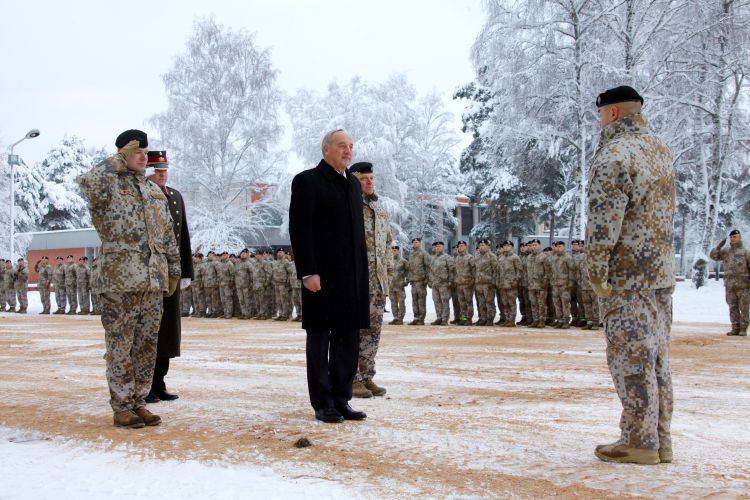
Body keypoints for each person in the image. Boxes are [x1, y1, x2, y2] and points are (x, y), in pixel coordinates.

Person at [587, 86, 676, 465]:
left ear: (612, 114)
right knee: (657, 359)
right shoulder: (660, 150)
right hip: (660, 274)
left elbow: (604, 222)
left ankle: (639, 441)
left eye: (600, 115)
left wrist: (596, 270)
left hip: (626, 276)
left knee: (630, 358)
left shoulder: (614, 155)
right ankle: (660, 439)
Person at [78, 129, 181, 429]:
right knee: (120, 346)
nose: (143, 157)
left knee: (147, 345)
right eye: (136, 151)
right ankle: (122, 406)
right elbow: (86, 183)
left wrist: (173, 270)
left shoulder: (153, 191)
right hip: (119, 281)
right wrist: (115, 161)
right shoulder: (109, 185)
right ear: (122, 153)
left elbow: (167, 235)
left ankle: (139, 402)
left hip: (152, 281)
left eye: (145, 152)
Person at [288, 128, 369, 424]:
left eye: (351, 146)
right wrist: (308, 271)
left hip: (351, 278)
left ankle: (341, 398)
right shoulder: (307, 181)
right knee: (321, 339)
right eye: (341, 146)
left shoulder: (353, 185)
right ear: (326, 149)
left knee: (348, 340)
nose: (348, 151)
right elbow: (300, 229)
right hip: (321, 277)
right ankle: (323, 402)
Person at [144, 150, 194, 403]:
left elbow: (182, 235)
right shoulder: (141, 195)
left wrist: (186, 271)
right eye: (157, 170)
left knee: (168, 331)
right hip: (148, 274)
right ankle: (144, 385)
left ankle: (159, 381)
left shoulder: (175, 196)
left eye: (165, 170)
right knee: (148, 330)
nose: (163, 174)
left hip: (170, 273)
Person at [349, 161, 392, 399]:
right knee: (354, 332)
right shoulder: (349, 205)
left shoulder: (379, 208)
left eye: (371, 178)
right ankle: (352, 378)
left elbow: (387, 243)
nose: (369, 182)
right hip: (356, 281)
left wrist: (388, 273)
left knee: (373, 333)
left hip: (377, 282)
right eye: (364, 178)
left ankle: (367, 376)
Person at [710, 229, 750, 336]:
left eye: (735, 237)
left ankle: (743, 328)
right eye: (731, 237)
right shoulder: (726, 251)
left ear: (740, 238)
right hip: (730, 285)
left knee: (744, 307)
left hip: (743, 285)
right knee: (732, 307)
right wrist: (718, 247)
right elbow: (714, 257)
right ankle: (735, 328)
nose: (733, 239)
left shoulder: (746, 251)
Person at [495, 241, 522, 327]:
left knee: (511, 303)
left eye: (508, 246)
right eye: (504, 246)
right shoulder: (501, 258)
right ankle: (506, 319)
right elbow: (498, 271)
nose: (506, 247)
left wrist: (515, 281)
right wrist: (497, 281)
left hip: (511, 285)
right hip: (502, 285)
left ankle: (512, 320)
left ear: (511, 247)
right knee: (504, 303)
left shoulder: (515, 257)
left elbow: (519, 271)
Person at [428, 241, 454, 326]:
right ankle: (439, 317)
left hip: (444, 284)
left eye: (439, 246)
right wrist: (430, 281)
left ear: (443, 247)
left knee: (444, 302)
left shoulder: (447, 257)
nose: (438, 248)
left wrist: (450, 281)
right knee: (436, 301)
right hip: (435, 283)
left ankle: (444, 319)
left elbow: (451, 270)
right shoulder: (433, 258)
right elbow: (430, 270)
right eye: (436, 246)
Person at [549, 241, 574, 328]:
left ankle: (566, 321)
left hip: (564, 284)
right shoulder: (553, 258)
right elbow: (550, 271)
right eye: (557, 247)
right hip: (555, 284)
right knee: (556, 303)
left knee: (565, 303)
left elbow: (571, 270)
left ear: (564, 247)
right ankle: (559, 320)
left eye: (560, 246)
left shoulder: (567, 257)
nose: (558, 248)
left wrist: (570, 282)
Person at [407, 238, 431, 325]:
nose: (415, 244)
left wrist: (427, 279)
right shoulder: (411, 254)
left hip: (421, 281)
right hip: (413, 281)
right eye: (413, 242)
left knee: (421, 301)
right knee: (414, 301)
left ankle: (421, 319)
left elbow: (428, 267)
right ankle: (416, 318)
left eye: (416, 242)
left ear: (420, 243)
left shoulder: (424, 253)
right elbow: (409, 267)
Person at [453, 240, 475, 326]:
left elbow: (474, 271)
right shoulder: (457, 258)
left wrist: (472, 281)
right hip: (459, 284)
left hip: (467, 284)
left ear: (466, 247)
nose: (460, 247)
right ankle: (463, 318)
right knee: (461, 303)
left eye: (462, 245)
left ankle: (469, 319)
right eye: (459, 246)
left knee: (468, 303)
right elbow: (455, 271)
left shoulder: (470, 258)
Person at [388, 245, 408, 325]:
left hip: (400, 285)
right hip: (391, 286)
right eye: (392, 250)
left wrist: (406, 281)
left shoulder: (403, 261)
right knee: (393, 302)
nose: (393, 252)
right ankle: (395, 317)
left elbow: (408, 272)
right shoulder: (389, 261)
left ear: (398, 251)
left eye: (395, 250)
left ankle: (400, 318)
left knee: (401, 302)